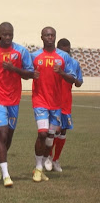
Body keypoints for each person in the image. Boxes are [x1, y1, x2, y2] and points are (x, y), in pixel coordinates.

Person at [0, 22, 34, 187]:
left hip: (13, 100)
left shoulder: (21, 51)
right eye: (4, 34)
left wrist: (14, 69)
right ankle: (6, 175)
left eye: (10, 34)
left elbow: (29, 74)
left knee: (8, 137)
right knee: (2, 133)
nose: (7, 37)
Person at [31, 27, 76, 182]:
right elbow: (26, 74)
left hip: (56, 104)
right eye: (47, 35)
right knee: (42, 133)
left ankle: (42, 165)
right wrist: (31, 74)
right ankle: (38, 167)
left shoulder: (64, 57)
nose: (50, 37)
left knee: (50, 138)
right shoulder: (34, 56)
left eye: (52, 35)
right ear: (42, 37)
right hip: (40, 101)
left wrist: (62, 73)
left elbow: (73, 79)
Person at [44, 38, 83, 172]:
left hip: (66, 103)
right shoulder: (52, 61)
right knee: (53, 131)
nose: (66, 54)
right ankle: (48, 157)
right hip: (52, 102)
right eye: (63, 51)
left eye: (68, 51)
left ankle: (56, 159)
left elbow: (78, 82)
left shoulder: (74, 64)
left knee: (63, 132)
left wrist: (76, 81)